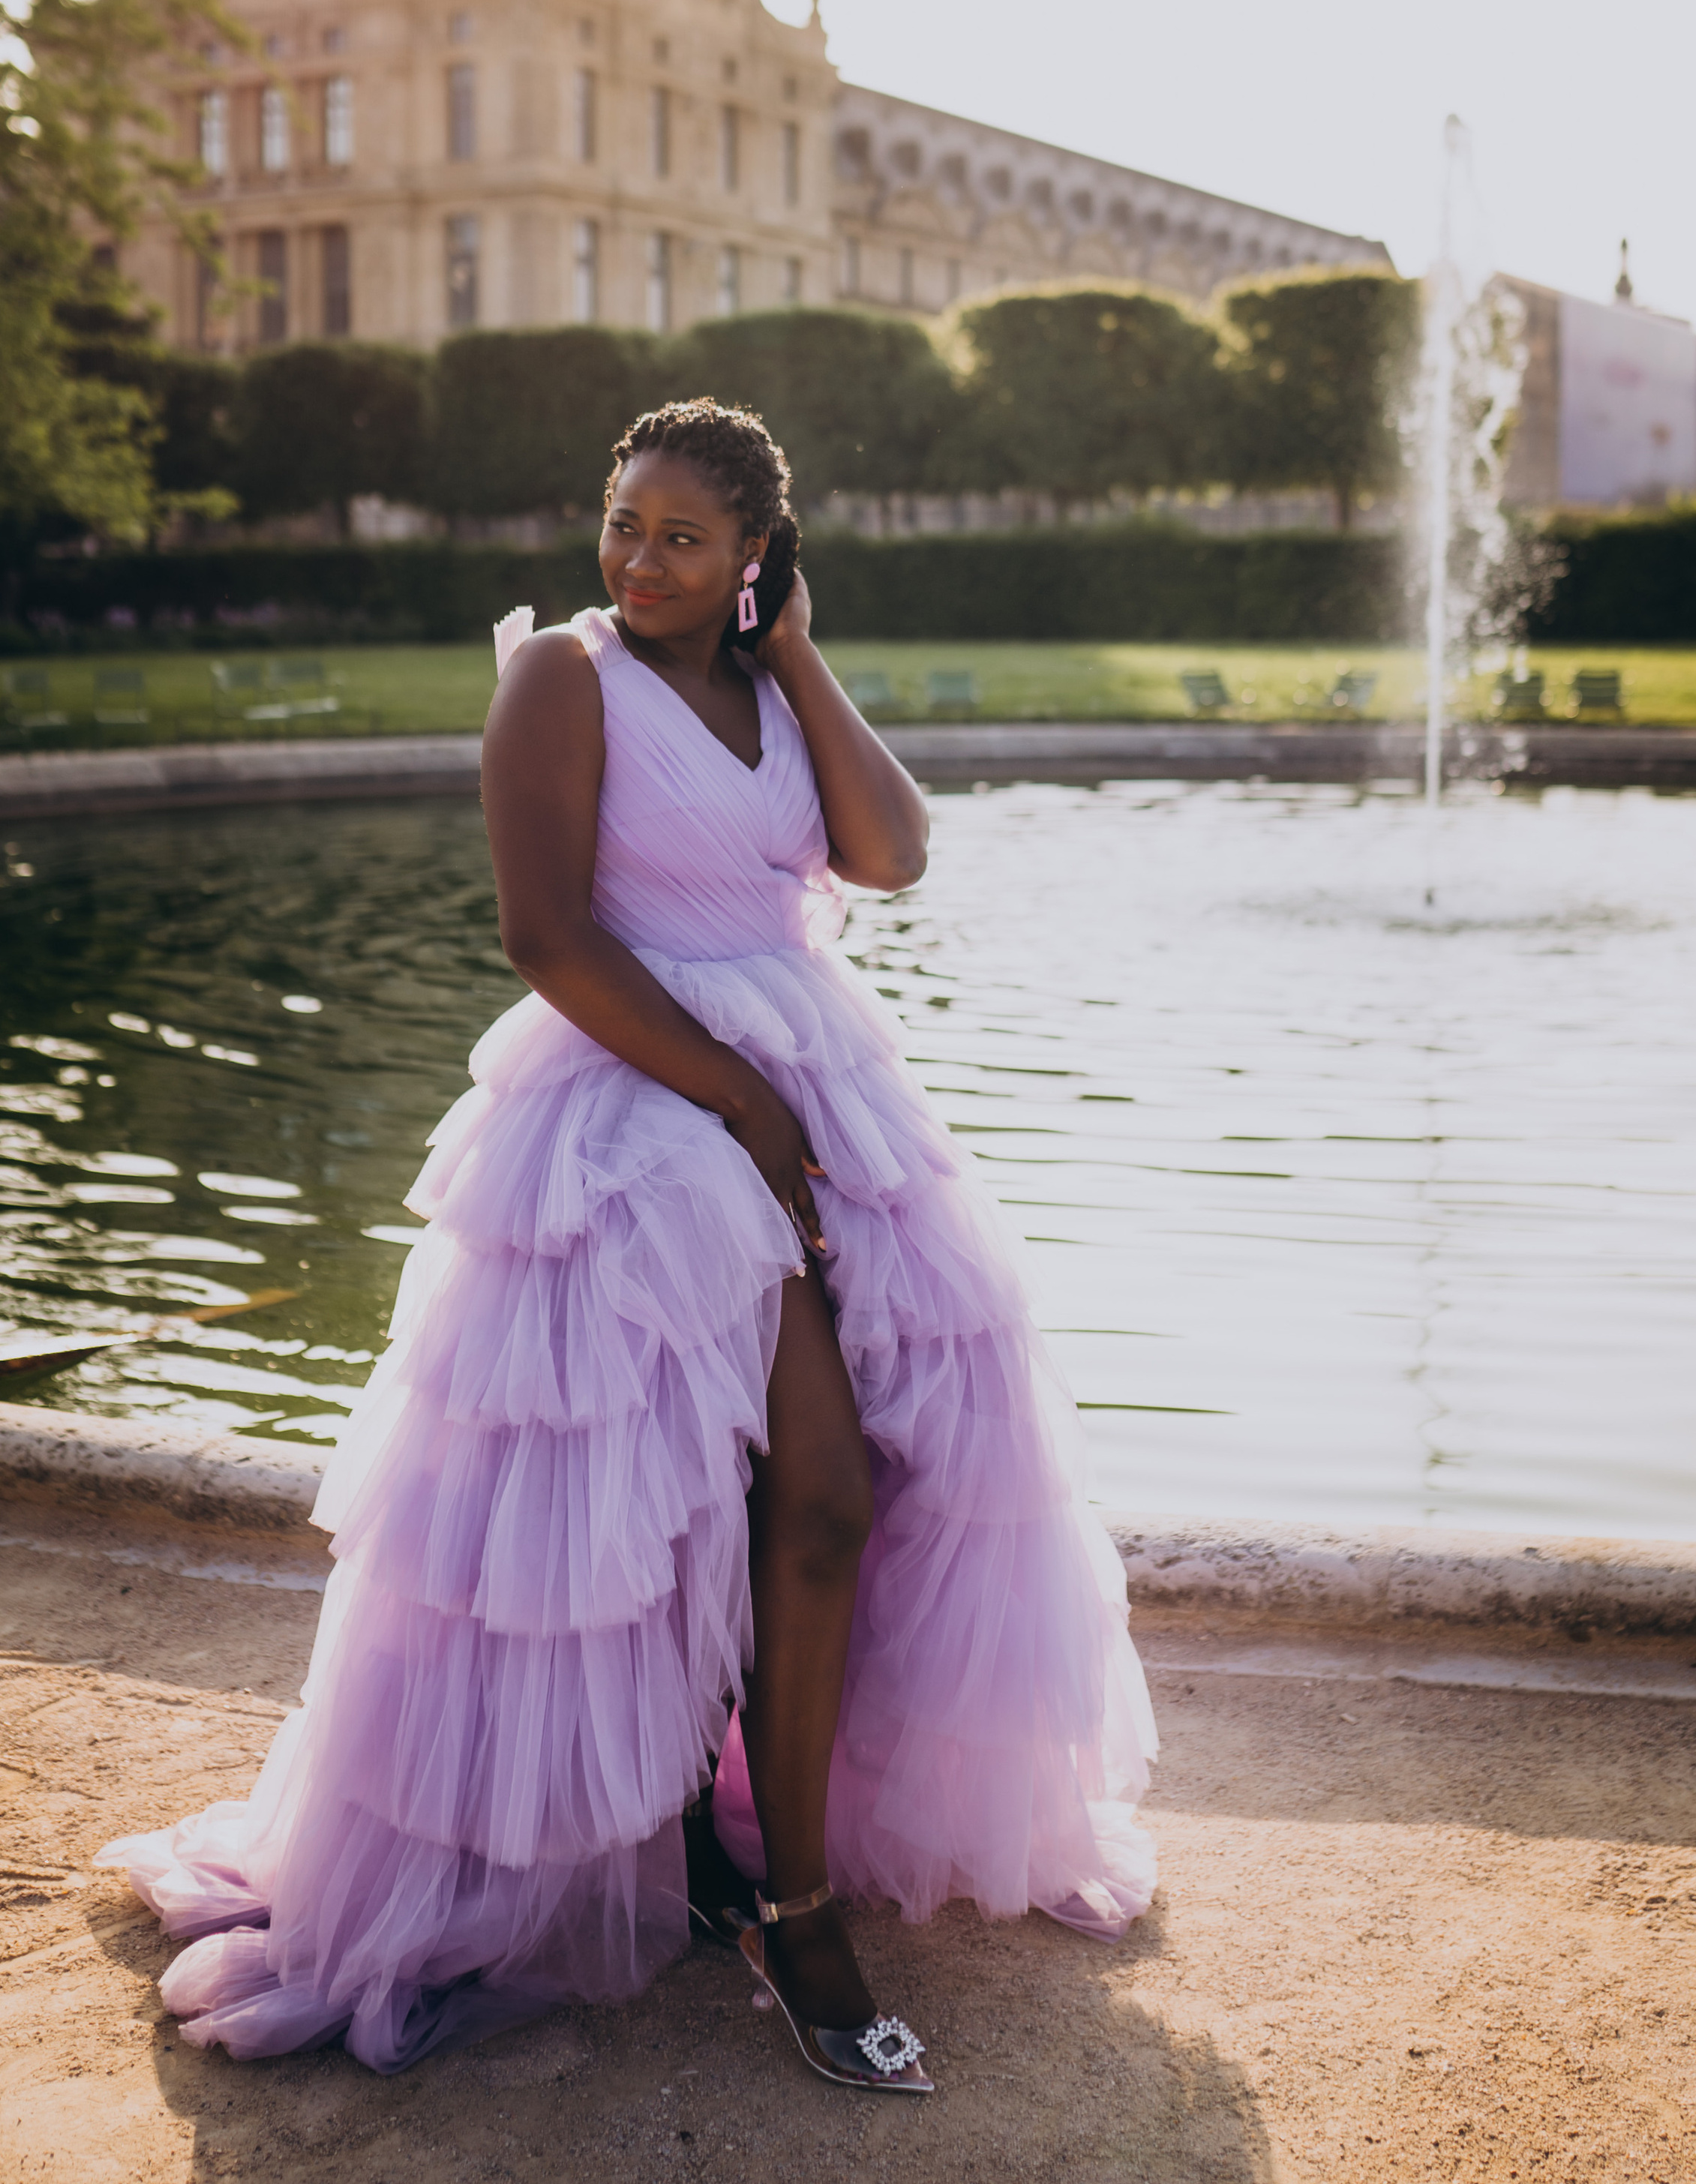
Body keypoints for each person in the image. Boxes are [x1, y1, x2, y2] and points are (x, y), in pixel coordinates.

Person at [100, 397, 1156, 2093]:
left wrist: (798, 659)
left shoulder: (762, 682)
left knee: (834, 1497)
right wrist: (739, 1104)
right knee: (718, 1509)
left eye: (682, 536)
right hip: (634, 1106)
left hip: (817, 1088)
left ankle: (768, 1877)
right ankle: (756, 1894)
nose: (639, 560)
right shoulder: (559, 677)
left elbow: (888, 854)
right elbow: (543, 935)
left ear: (752, 556)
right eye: (623, 524)